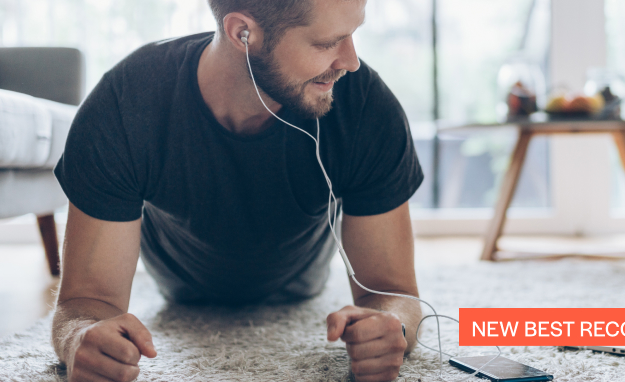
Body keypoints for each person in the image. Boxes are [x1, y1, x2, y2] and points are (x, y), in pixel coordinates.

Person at [51, 1, 424, 381]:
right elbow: (85, 301)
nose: (351, 61)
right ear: (242, 32)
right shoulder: (125, 103)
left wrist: (391, 324)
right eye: (327, 43)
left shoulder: (367, 107)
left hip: (301, 274)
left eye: (353, 35)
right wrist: (80, 337)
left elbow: (394, 291)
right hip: (180, 281)